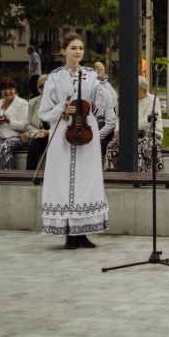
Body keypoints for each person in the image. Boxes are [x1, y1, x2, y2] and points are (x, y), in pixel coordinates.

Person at [39, 32, 116, 249]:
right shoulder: (54, 77)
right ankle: (68, 234)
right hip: (63, 131)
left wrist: (102, 79)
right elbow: (43, 112)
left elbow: (108, 101)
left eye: (81, 48)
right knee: (63, 180)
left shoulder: (91, 75)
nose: (78, 52)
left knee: (85, 180)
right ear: (63, 51)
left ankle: (82, 232)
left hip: (88, 132)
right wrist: (61, 108)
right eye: (73, 48)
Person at [104, 76, 163, 173]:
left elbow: (148, 122)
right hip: (130, 133)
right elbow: (121, 117)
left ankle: (140, 174)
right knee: (112, 145)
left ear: (143, 90)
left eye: (135, 89)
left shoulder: (153, 100)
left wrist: (127, 128)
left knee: (138, 145)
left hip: (150, 133)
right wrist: (118, 130)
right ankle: (112, 172)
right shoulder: (128, 99)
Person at [0, 77, 30, 169]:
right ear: (0, 91)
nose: (7, 91)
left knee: (5, 146)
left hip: (17, 136)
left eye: (10, 88)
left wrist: (8, 121)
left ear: (15, 89)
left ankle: (8, 174)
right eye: (4, 89)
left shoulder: (22, 103)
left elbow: (24, 125)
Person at [25, 74, 51, 170]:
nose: (44, 90)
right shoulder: (33, 102)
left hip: (53, 134)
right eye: (41, 87)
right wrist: (37, 132)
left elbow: (63, 125)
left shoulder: (59, 103)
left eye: (47, 87)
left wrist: (48, 132)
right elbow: (27, 123)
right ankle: (29, 175)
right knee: (34, 146)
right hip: (38, 134)